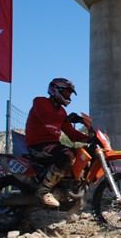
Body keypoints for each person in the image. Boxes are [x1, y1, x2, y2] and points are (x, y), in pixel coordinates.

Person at [25, 78, 90, 207]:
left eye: (69, 94)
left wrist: (89, 138)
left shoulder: (61, 111)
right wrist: (68, 119)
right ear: (56, 90)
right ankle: (43, 192)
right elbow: (47, 116)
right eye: (67, 93)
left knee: (80, 155)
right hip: (38, 145)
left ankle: (68, 190)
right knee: (67, 156)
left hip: (53, 145)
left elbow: (71, 134)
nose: (68, 96)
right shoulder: (40, 102)